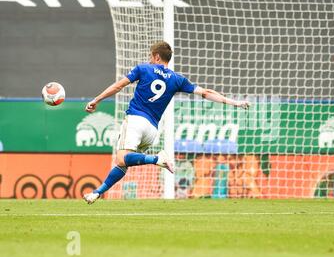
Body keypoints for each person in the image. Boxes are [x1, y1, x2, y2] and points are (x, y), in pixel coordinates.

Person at [83, 41, 250, 204]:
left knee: (122, 158)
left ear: (156, 57)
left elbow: (119, 86)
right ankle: (97, 193)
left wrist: (97, 100)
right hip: (152, 130)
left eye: (151, 57)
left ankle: (157, 159)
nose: (149, 60)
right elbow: (206, 93)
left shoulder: (143, 69)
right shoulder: (177, 79)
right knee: (124, 163)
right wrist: (234, 102)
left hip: (135, 120)